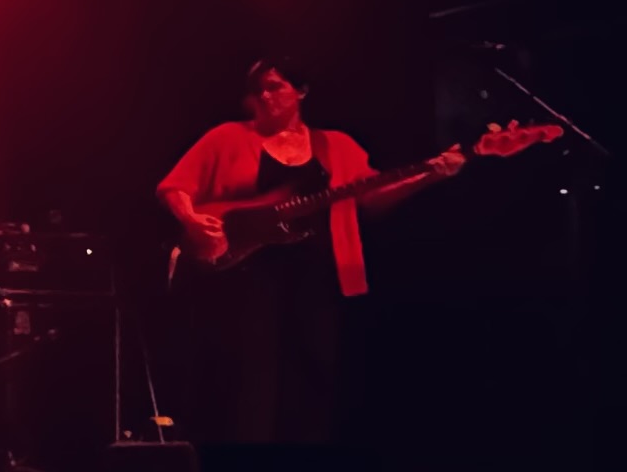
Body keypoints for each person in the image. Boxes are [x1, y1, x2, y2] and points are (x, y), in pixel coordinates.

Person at [156, 60, 461, 444]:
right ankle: (246, 464)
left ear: (301, 91)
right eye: (259, 90)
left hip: (316, 271)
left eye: (275, 87)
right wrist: (192, 219)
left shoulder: (336, 145)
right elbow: (174, 187)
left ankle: (302, 467)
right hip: (244, 276)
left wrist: (428, 176)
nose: (265, 96)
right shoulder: (227, 137)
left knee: (314, 369)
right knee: (251, 376)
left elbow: (370, 198)